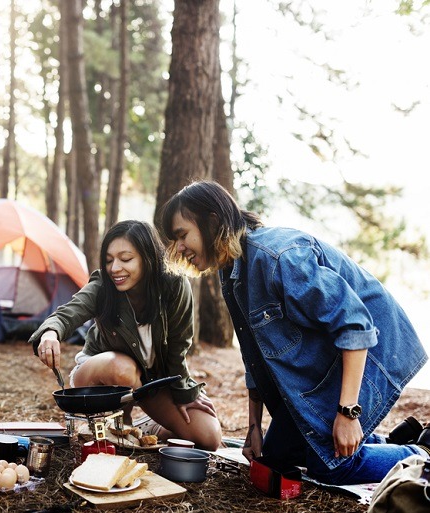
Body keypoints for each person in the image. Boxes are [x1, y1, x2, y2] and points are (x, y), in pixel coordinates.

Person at [161, 180, 429, 485]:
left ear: (212, 221)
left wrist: (348, 414)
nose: (179, 247)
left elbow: (356, 325)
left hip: (371, 350)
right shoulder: (231, 271)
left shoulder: (280, 257)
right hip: (328, 364)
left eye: (182, 235)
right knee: (275, 460)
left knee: (330, 467)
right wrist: (253, 428)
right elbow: (254, 358)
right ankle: (391, 441)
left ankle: (422, 453)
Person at [29, 220, 222, 450]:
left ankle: (150, 426)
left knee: (209, 438)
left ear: (148, 258)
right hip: (99, 376)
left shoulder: (174, 285)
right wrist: (50, 333)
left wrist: (184, 392)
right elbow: (68, 313)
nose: (115, 268)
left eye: (126, 259)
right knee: (123, 369)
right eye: (109, 260)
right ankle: (120, 423)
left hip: (148, 383)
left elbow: (178, 348)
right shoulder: (103, 285)